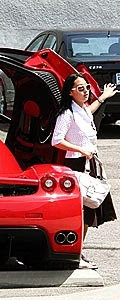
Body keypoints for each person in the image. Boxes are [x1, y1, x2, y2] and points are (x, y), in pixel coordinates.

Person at [51, 73, 117, 269]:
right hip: (76, 165)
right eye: (80, 88)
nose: (86, 91)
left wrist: (103, 96)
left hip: (89, 163)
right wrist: (80, 149)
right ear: (71, 93)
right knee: (82, 210)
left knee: (89, 209)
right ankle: (75, 254)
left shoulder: (82, 110)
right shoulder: (67, 114)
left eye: (87, 87)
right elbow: (56, 140)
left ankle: (78, 252)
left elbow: (91, 109)